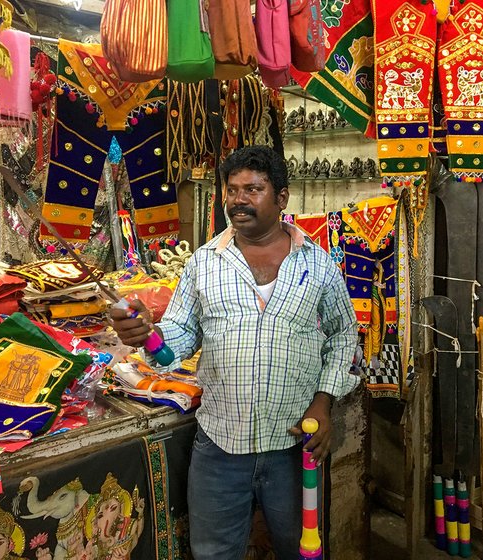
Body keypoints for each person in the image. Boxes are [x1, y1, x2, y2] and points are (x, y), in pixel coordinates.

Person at [109, 145, 359, 559]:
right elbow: (178, 338)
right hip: (220, 448)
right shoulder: (204, 263)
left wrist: (323, 402)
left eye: (253, 189)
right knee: (213, 553)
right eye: (232, 189)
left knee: (302, 549)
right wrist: (146, 336)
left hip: (293, 444)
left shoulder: (317, 264)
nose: (239, 199)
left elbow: (343, 335)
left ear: (281, 198)